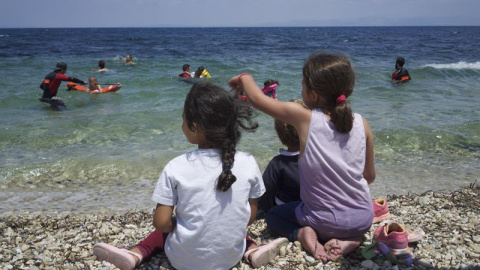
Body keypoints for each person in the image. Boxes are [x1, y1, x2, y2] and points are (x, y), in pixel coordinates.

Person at [93, 82, 287, 270]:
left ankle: (136, 253)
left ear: (195, 127)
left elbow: (161, 223)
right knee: (228, 224)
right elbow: (249, 218)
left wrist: (180, 223)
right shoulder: (248, 162)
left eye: (183, 120)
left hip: (183, 262)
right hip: (230, 258)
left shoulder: (176, 166)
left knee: (163, 233)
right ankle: (252, 250)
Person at [229, 51, 376, 263]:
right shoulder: (362, 123)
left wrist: (243, 78)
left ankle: (303, 234)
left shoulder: (305, 118)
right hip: (363, 218)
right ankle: (352, 239)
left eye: (303, 85)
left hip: (323, 220)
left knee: (275, 216)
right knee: (347, 225)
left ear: (313, 95)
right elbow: (368, 176)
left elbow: (258, 99)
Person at [258, 99, 304, 214]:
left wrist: (269, 210)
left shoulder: (278, 163)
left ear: (279, 135)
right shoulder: (319, 157)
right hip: (314, 208)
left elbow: (265, 192)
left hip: (286, 210)